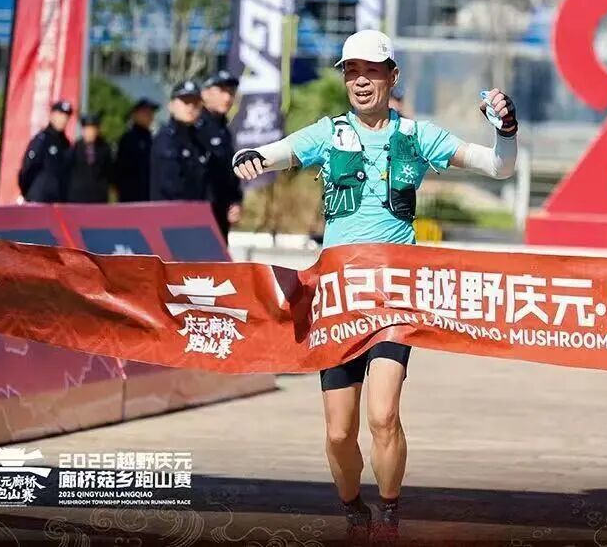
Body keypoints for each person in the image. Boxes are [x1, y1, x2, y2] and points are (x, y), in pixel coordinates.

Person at [232, 29, 518, 544]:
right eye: (352, 72)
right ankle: (353, 510)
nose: (360, 82)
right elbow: (272, 153)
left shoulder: (418, 135)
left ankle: (388, 514)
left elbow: (499, 167)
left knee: (383, 416)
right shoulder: (327, 133)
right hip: (339, 302)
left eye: (371, 71)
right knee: (339, 433)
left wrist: (508, 130)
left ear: (392, 76)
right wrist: (252, 157)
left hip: (393, 300)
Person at [195, 70, 242, 240]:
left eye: (231, 92)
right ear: (205, 93)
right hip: (200, 212)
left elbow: (228, 170)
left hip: (221, 211)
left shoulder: (223, 129)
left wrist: (235, 200)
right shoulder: (196, 127)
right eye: (222, 91)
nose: (227, 97)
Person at [150, 81, 210, 202]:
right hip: (171, 211)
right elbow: (170, 188)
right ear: (171, 105)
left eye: (195, 102)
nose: (190, 107)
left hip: (197, 209)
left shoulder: (199, 139)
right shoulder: (166, 139)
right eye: (185, 101)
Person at [17, 100, 73, 203]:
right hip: (39, 199)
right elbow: (27, 169)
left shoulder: (66, 144)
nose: (63, 119)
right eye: (60, 114)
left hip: (58, 202)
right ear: (52, 115)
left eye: (66, 116)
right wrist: (29, 193)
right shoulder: (42, 140)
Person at [114, 98, 160, 202]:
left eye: (151, 113)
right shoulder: (128, 139)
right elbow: (119, 170)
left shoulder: (151, 138)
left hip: (148, 194)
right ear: (135, 115)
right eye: (146, 113)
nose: (150, 116)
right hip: (131, 195)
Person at [66, 113, 113, 203]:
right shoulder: (75, 148)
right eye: (87, 129)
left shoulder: (104, 148)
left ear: (97, 130)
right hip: (77, 197)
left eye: (92, 129)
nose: (90, 133)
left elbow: (109, 172)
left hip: (99, 198)